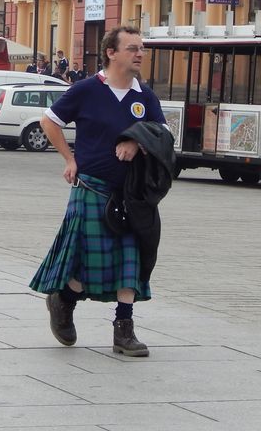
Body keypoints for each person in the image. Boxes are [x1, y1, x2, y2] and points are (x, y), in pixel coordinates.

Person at [30, 25, 166, 358]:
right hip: (91, 187)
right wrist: (69, 159)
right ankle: (64, 299)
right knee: (88, 264)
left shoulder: (144, 96)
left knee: (131, 259)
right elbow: (49, 121)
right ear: (111, 52)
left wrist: (136, 141)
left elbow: (162, 134)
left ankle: (124, 330)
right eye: (132, 48)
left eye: (141, 48)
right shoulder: (87, 89)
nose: (139, 54)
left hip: (132, 193)